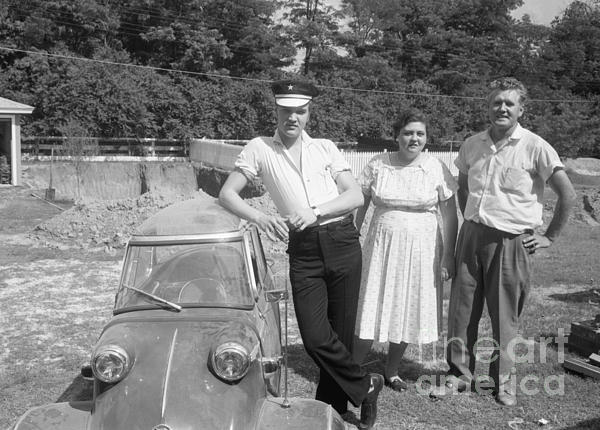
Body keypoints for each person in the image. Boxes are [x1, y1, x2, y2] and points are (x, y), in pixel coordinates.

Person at [218, 79, 383, 429]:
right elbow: (227, 194)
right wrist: (261, 218)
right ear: (276, 111)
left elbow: (353, 196)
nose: (293, 118)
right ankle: (367, 384)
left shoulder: (325, 147)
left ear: (309, 114)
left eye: (300, 112)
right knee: (314, 336)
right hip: (305, 248)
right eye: (286, 111)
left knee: (339, 331)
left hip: (341, 240)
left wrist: (316, 211)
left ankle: (332, 407)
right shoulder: (259, 148)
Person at [430, 77, 576, 406]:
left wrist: (549, 237)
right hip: (472, 235)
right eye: (497, 102)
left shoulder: (536, 146)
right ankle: (459, 374)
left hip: (512, 241)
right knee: (461, 311)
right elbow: (465, 188)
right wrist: (475, 219)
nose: (502, 108)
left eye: (510, 103)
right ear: (488, 106)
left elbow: (568, 195)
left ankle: (503, 381)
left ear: (522, 109)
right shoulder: (472, 144)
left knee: (504, 314)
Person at [352, 110, 458, 391]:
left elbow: (449, 215)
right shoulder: (378, 164)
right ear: (397, 135)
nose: (414, 138)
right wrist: (352, 235)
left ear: (426, 138)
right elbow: (360, 202)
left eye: (420, 134)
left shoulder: (436, 167)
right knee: (371, 302)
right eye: (408, 133)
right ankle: (352, 367)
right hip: (381, 246)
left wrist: (448, 254)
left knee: (407, 304)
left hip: (422, 248)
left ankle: (392, 369)